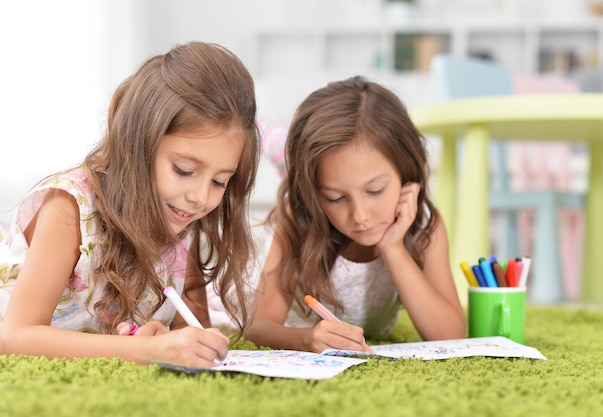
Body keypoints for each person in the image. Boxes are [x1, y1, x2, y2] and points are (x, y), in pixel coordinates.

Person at [0, 41, 259, 368]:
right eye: (184, 170)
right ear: (136, 146)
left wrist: (172, 339)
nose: (200, 197)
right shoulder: (69, 209)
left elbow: (191, 330)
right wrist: (144, 351)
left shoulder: (180, 218)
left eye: (219, 181)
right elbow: (15, 336)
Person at [245, 76, 466, 353]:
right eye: (335, 198)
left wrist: (393, 248)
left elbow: (452, 334)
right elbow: (259, 325)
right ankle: (281, 153)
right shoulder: (298, 218)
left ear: (405, 172)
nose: (360, 216)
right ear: (316, 195)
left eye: (375, 191)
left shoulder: (423, 226)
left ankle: (285, 153)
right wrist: (306, 338)